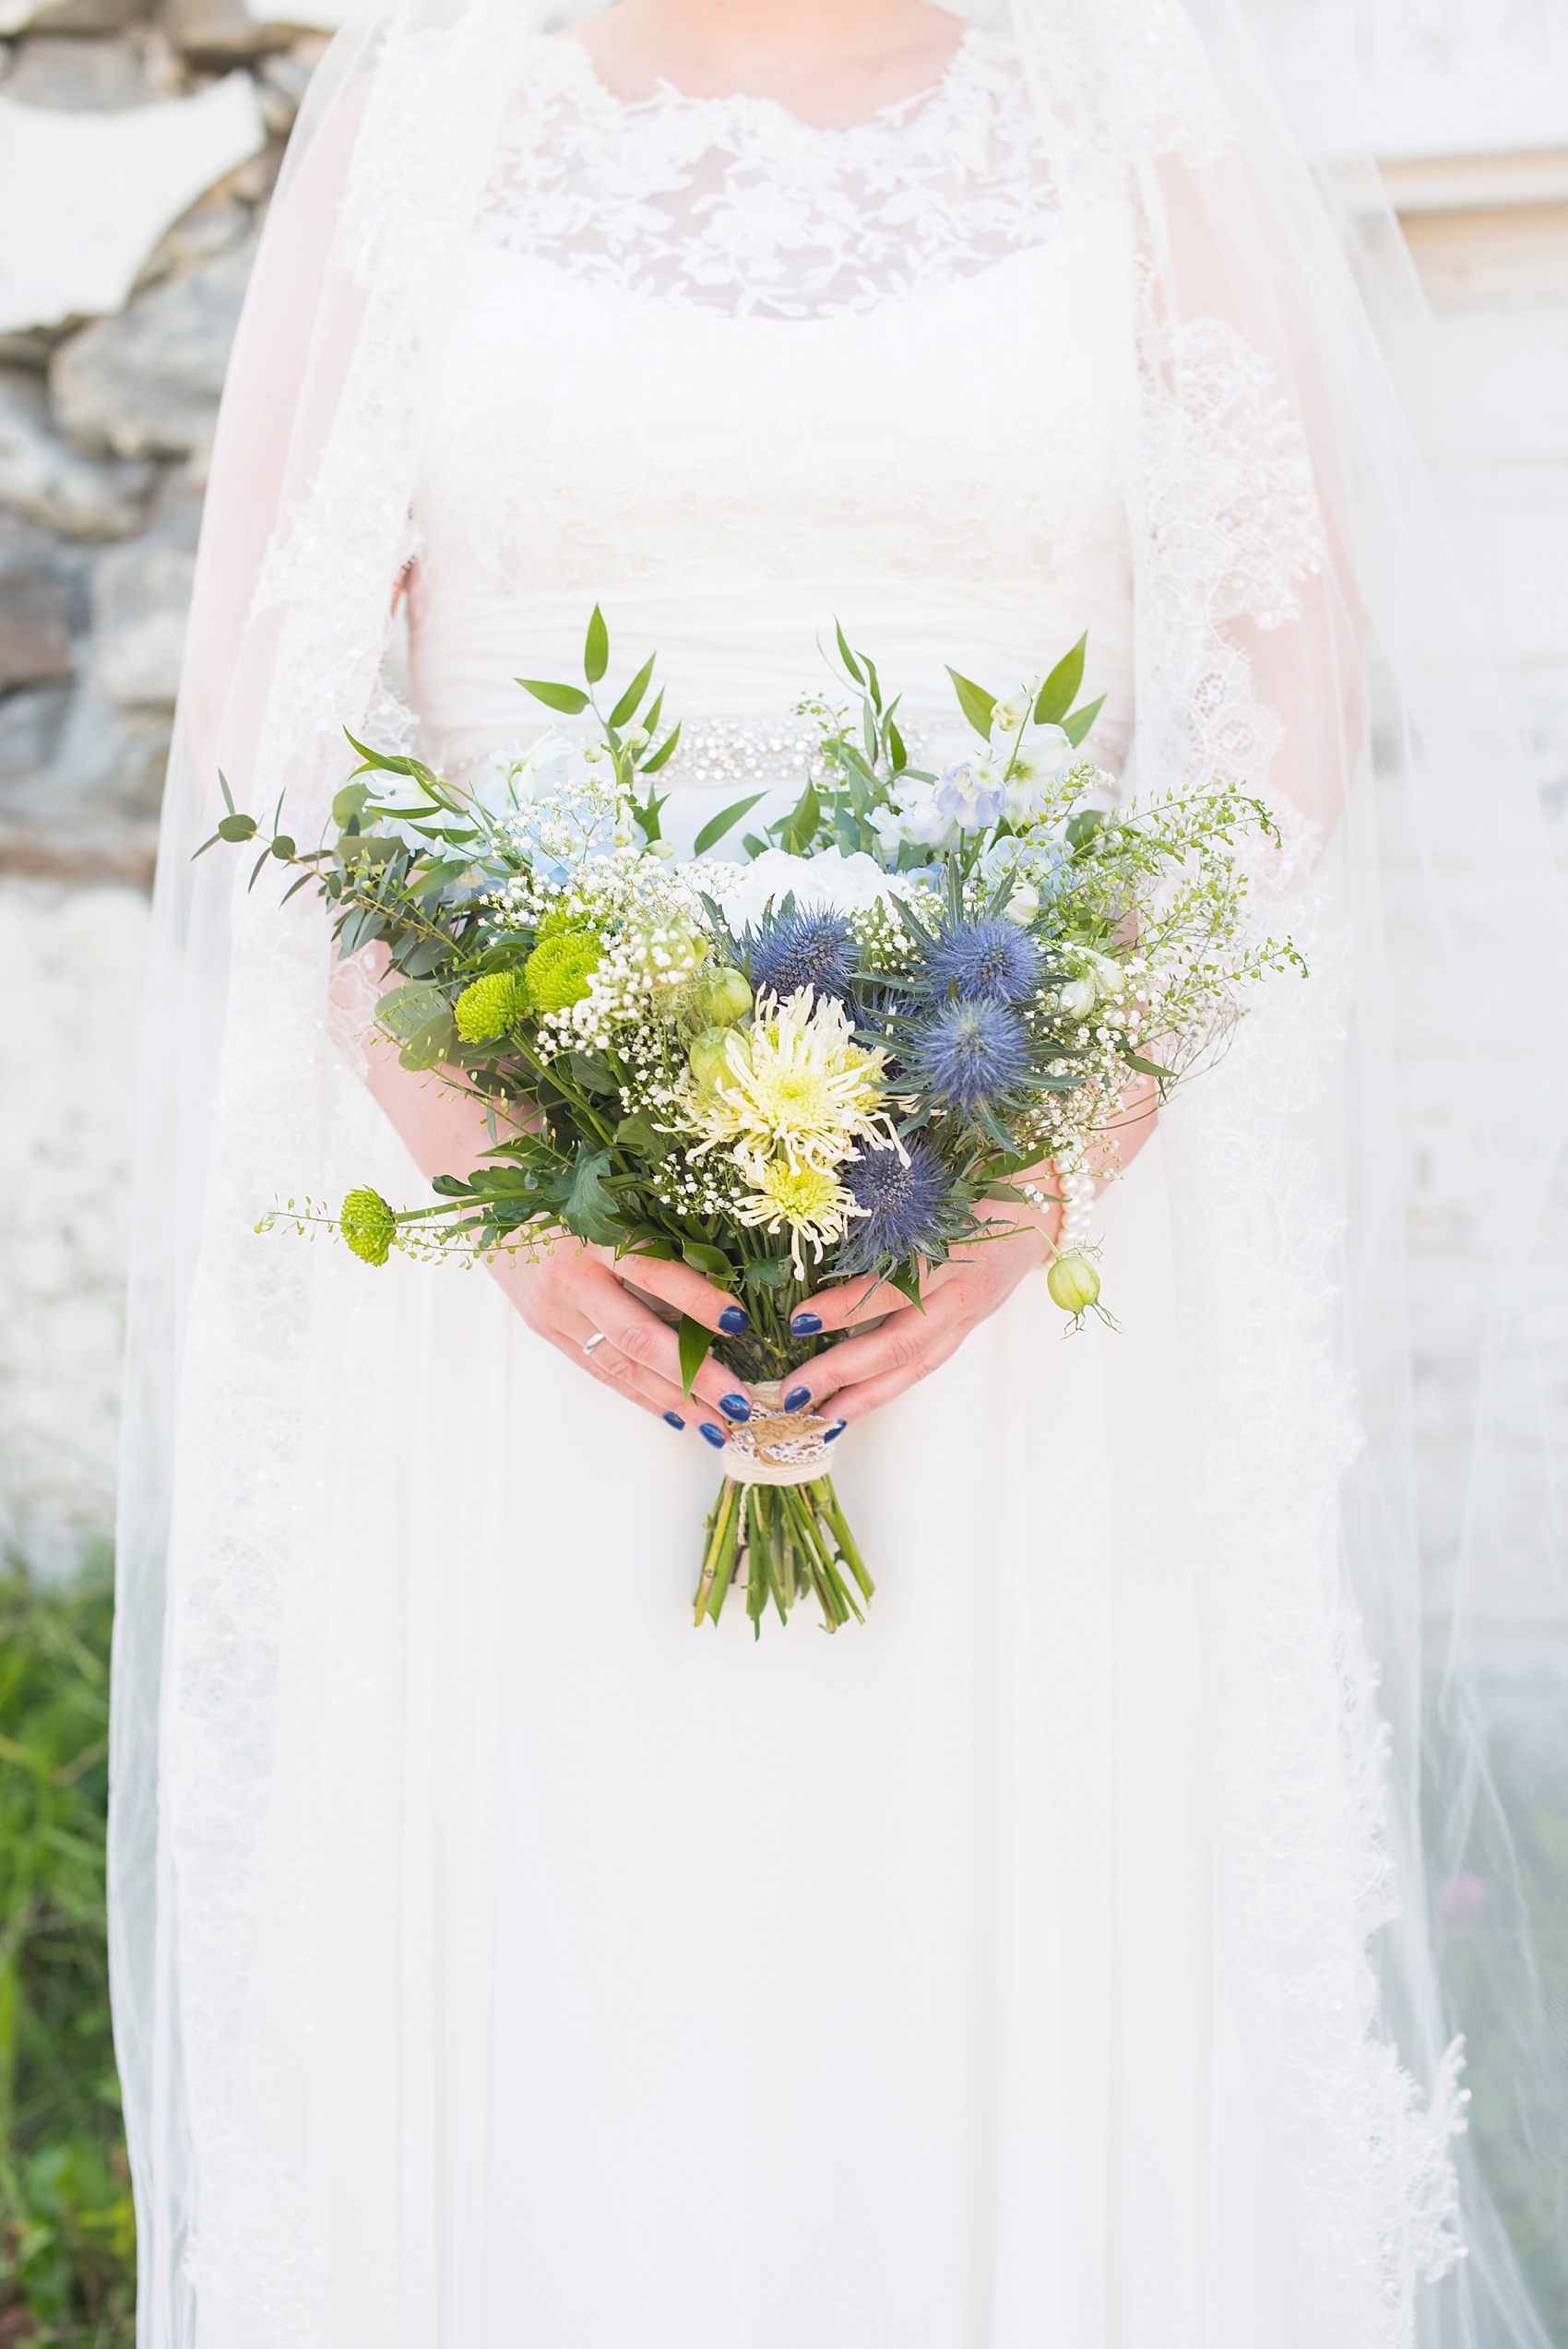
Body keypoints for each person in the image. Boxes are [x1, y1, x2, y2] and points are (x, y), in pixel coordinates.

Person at [107, 2, 1567, 2343]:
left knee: (990, 1931)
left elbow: (1271, 687)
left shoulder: (1133, 114)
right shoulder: (424, 124)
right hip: (537, 1289)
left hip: (1015, 1271)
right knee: (586, 1943)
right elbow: (273, 699)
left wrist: (1055, 1144)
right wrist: (493, 1147)